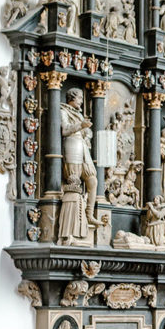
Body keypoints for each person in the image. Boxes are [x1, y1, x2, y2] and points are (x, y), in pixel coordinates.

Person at [61, 89, 101, 226]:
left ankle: (89, 214)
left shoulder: (78, 114)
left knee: (93, 181)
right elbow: (65, 130)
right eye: (79, 98)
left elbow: (86, 131)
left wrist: (87, 131)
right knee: (74, 180)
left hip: (83, 148)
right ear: (71, 98)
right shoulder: (63, 111)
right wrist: (81, 126)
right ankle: (73, 220)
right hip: (72, 146)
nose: (82, 101)